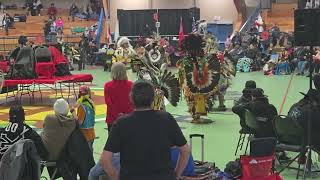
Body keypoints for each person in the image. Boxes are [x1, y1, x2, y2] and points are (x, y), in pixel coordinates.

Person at [101, 80, 190, 180]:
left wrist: (116, 177)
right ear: (153, 99)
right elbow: (185, 151)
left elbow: (105, 159)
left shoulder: (122, 123)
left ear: (131, 98)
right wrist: (176, 175)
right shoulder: (166, 118)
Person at [104, 62, 133, 132]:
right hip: (129, 117)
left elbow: (109, 103)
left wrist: (117, 114)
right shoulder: (131, 85)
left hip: (113, 119)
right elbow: (133, 101)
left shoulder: (108, 85)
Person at [74, 85, 96, 152]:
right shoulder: (91, 104)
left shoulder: (82, 106)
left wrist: (73, 113)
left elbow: (79, 122)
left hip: (85, 135)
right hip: (92, 133)